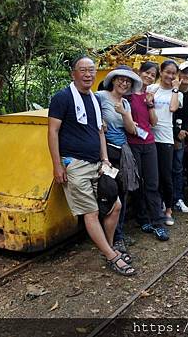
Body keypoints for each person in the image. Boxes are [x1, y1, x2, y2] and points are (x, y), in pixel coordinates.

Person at [48, 56, 135, 276]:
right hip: (75, 163)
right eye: (83, 70)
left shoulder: (94, 100)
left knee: (115, 205)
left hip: (97, 162)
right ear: (73, 73)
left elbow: (99, 131)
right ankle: (112, 255)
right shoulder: (62, 98)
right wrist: (57, 165)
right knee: (91, 211)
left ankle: (107, 247)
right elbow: (53, 132)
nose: (88, 74)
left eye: (91, 70)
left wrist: (105, 159)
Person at [96, 66, 141, 257]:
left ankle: (118, 235)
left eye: (128, 81)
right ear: (113, 81)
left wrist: (124, 112)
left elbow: (132, 130)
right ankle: (108, 238)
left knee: (122, 194)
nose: (124, 83)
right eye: (121, 80)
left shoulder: (126, 104)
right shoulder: (100, 97)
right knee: (109, 194)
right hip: (105, 152)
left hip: (122, 153)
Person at [127, 61, 169, 241]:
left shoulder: (148, 96)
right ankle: (142, 218)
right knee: (137, 183)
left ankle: (158, 223)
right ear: (139, 72)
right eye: (147, 73)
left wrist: (151, 105)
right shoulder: (127, 95)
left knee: (152, 183)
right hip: (132, 143)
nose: (149, 76)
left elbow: (153, 122)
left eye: (153, 75)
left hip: (149, 143)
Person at [148, 60, 183, 226]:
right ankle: (154, 209)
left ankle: (168, 209)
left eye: (173, 73)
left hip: (165, 138)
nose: (170, 76)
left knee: (166, 176)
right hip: (149, 137)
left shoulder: (177, 93)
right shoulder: (151, 89)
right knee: (151, 178)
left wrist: (175, 88)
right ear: (160, 72)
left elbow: (173, 108)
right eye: (167, 72)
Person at [172, 61, 188, 214]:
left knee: (177, 166)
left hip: (180, 134)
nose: (186, 76)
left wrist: (182, 132)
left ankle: (178, 198)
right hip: (165, 131)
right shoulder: (170, 89)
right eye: (184, 72)